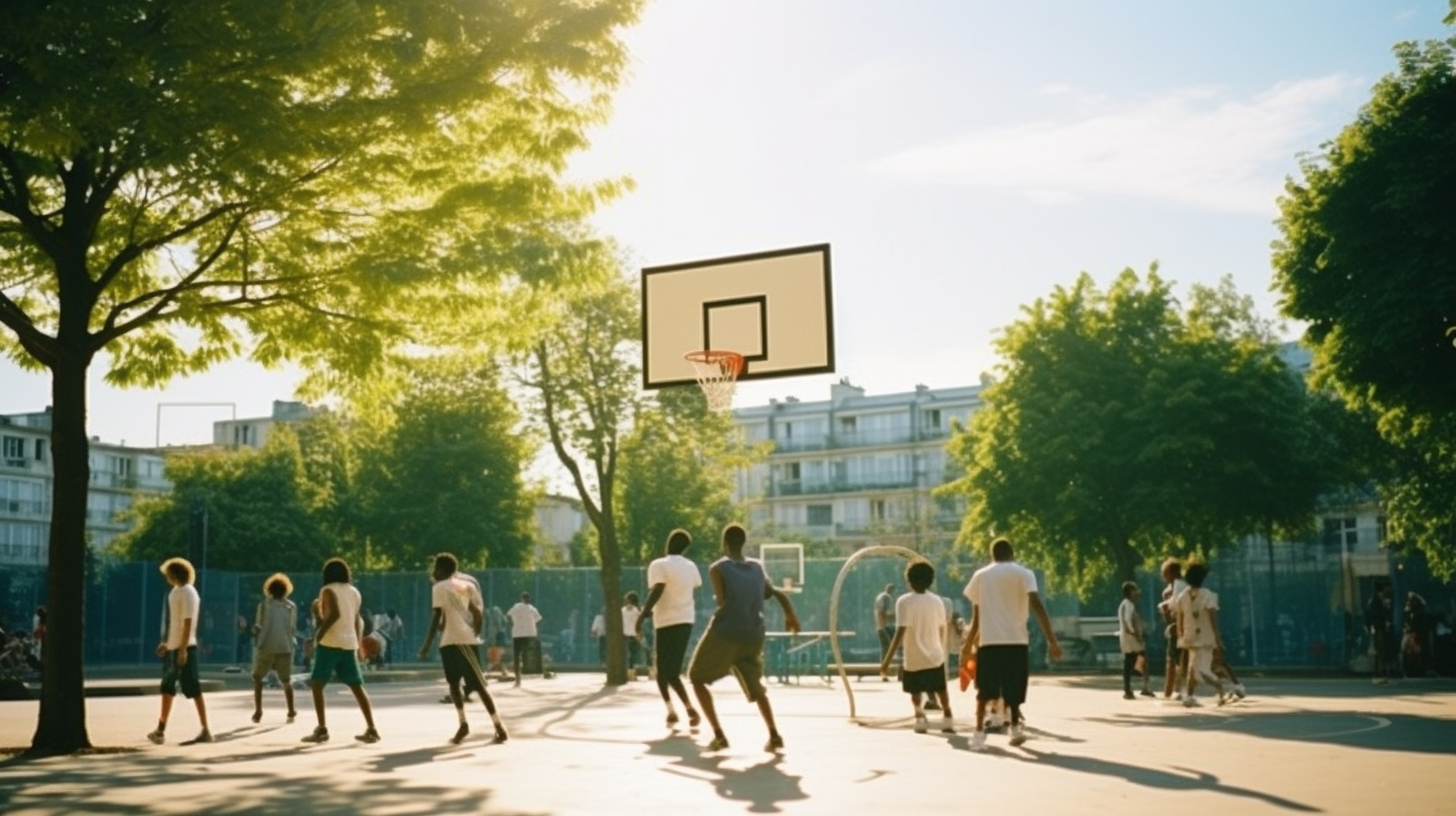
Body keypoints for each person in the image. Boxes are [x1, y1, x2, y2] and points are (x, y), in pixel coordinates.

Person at [688, 523, 801, 752]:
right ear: (744, 543)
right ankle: (774, 734)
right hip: (753, 634)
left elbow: (722, 602)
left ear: (725, 543)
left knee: (696, 678)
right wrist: (790, 615)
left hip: (726, 631)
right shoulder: (757, 568)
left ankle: (719, 736)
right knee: (756, 687)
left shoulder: (717, 568)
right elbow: (776, 593)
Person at [959, 537, 1062, 750]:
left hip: (989, 641)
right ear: (1012, 553)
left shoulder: (981, 576)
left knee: (985, 690)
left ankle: (978, 733)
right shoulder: (1024, 574)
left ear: (992, 555)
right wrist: (1051, 639)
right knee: (1014, 688)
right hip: (1016, 640)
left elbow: (976, 616)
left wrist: (968, 645)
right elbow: (1036, 605)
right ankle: (1015, 727)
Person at [417, 552, 508, 745]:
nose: (433, 571)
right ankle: (480, 725)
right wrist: (475, 632)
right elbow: (476, 612)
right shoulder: (466, 585)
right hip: (461, 640)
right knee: (468, 686)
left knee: (459, 685)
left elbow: (436, 617)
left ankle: (494, 726)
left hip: (453, 642)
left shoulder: (439, 587)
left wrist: (426, 644)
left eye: (435, 568)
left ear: (441, 569)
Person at [301, 557, 380, 743]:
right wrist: (359, 644)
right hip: (348, 644)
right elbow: (356, 620)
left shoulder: (327, 590)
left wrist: (318, 636)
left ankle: (321, 729)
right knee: (357, 687)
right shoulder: (354, 592)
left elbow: (333, 615)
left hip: (330, 643)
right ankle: (372, 728)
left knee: (317, 684)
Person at [878, 560, 955, 734]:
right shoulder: (937, 601)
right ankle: (948, 716)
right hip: (935, 655)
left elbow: (899, 632)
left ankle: (920, 717)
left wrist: (886, 661)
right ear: (931, 580)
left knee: (915, 691)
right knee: (941, 688)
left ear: (908, 580)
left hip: (913, 658)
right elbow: (943, 627)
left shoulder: (903, 602)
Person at [637, 528, 703, 728]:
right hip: (686, 621)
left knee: (662, 671)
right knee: (673, 670)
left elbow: (658, 589)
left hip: (666, 622)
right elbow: (695, 589)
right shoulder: (691, 567)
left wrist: (643, 615)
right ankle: (689, 707)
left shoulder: (659, 565)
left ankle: (671, 710)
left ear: (669, 543)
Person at [147, 557, 213, 745]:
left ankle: (206, 730)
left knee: (193, 688)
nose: (166, 577)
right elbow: (173, 621)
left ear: (175, 573)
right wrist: (167, 643)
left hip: (185, 648)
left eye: (168, 573)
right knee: (167, 688)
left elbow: (187, 622)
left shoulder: (188, 592)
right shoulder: (175, 592)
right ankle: (160, 730)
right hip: (175, 648)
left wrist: (183, 649)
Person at [1174, 562, 1227, 707]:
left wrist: (1181, 633)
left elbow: (1180, 618)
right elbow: (1211, 619)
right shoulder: (1190, 596)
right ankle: (1191, 696)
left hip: (1202, 639)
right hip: (1196, 637)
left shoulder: (1200, 595)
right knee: (1193, 667)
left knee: (1200, 669)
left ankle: (1219, 687)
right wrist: (1218, 638)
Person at [250, 573, 298, 723]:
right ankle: (290, 710)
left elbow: (258, 625)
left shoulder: (264, 606)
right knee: (286, 680)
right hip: (285, 647)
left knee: (258, 678)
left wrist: (256, 633)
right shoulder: (291, 607)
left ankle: (258, 710)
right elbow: (292, 628)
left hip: (266, 646)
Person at [1158, 558, 1189, 699]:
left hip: (1184, 627)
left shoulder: (1182, 586)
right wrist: (1166, 614)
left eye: (1166, 573)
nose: (1164, 576)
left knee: (1181, 661)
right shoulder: (1167, 592)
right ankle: (1169, 691)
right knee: (1172, 661)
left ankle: (1180, 690)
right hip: (1175, 628)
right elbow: (1168, 617)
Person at [1117, 581, 1153, 699]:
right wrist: (1136, 634)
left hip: (1127, 637)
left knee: (1131, 661)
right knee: (1140, 659)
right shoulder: (1128, 605)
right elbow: (1128, 621)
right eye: (1134, 590)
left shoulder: (1125, 604)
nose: (1137, 593)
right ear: (1130, 592)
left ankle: (1131, 688)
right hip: (1131, 638)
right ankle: (1141, 686)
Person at [506, 592, 543, 687]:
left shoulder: (516, 606)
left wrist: (514, 624)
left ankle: (518, 679)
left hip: (517, 634)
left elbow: (508, 615)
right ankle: (531, 672)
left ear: (521, 599)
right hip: (530, 634)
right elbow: (539, 619)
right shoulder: (532, 608)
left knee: (516, 657)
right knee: (528, 655)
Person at [1365, 582, 1394, 685]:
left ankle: (1381, 673)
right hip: (1378, 629)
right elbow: (1376, 616)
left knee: (1381, 652)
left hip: (1379, 628)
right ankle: (1379, 674)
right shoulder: (1376, 602)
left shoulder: (1375, 601)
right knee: (1379, 652)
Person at [874, 583, 897, 675]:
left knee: (885, 648)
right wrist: (894, 618)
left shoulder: (881, 597)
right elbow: (883, 612)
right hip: (886, 627)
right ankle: (885, 670)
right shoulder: (886, 598)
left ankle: (885, 670)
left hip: (881, 626)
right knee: (888, 648)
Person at [622, 591, 644, 679]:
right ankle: (631, 673)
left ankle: (629, 672)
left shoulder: (623, 610)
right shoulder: (638, 610)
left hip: (625, 633)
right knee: (633, 654)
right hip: (634, 634)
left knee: (629, 654)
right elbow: (640, 623)